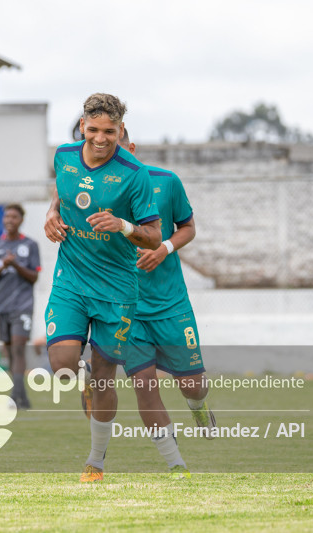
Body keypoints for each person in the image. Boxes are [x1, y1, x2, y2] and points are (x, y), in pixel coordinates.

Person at [43, 93, 161, 482]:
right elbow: (59, 194)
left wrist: (123, 226)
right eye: (93, 130)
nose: (100, 138)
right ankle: (84, 377)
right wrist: (51, 215)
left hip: (116, 288)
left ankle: (96, 460)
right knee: (62, 366)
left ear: (120, 131)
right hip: (71, 279)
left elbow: (154, 236)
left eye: (109, 131)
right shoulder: (63, 156)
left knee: (104, 377)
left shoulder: (135, 174)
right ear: (82, 127)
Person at [117, 128, 215, 479]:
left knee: (193, 384)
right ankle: (177, 465)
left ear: (130, 147)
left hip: (170, 304)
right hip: (127, 308)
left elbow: (187, 227)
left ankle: (198, 407)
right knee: (144, 386)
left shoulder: (166, 182)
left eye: (117, 146)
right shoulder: (95, 191)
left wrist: (163, 249)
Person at [0, 203, 41, 408]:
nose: (10, 220)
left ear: (21, 220)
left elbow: (34, 276)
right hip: (2, 305)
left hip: (23, 305)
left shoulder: (30, 244)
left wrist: (16, 264)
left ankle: (13, 396)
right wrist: (3, 265)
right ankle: (23, 398)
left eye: (14, 217)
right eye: (7, 217)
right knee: (9, 351)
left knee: (18, 349)